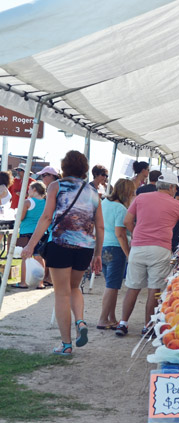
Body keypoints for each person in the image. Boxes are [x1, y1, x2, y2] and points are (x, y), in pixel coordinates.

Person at [21, 151, 103, 356]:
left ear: (64, 168)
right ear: (85, 169)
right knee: (75, 288)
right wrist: (98, 254)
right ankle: (81, 321)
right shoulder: (93, 192)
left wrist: (30, 245)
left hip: (60, 244)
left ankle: (66, 344)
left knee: (61, 293)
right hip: (85, 247)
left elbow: (47, 216)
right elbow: (100, 227)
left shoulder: (55, 186)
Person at [115, 173, 179, 337]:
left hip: (138, 248)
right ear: (171, 187)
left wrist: (136, 234)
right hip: (160, 249)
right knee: (154, 288)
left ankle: (123, 323)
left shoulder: (140, 198)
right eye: (174, 188)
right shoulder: (176, 203)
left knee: (133, 287)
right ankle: (147, 326)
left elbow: (127, 221)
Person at [97, 179, 135, 330]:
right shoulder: (120, 209)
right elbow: (120, 234)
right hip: (115, 249)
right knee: (112, 286)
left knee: (110, 285)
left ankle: (111, 318)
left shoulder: (104, 203)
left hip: (103, 247)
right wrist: (128, 254)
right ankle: (102, 319)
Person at [12, 181, 47, 289]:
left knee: (25, 257)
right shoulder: (46, 202)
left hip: (27, 231)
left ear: (34, 190)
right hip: (41, 231)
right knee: (39, 257)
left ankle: (23, 282)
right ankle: (40, 283)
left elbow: (20, 218)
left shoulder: (28, 202)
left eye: (30, 189)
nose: (28, 191)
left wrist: (16, 215)